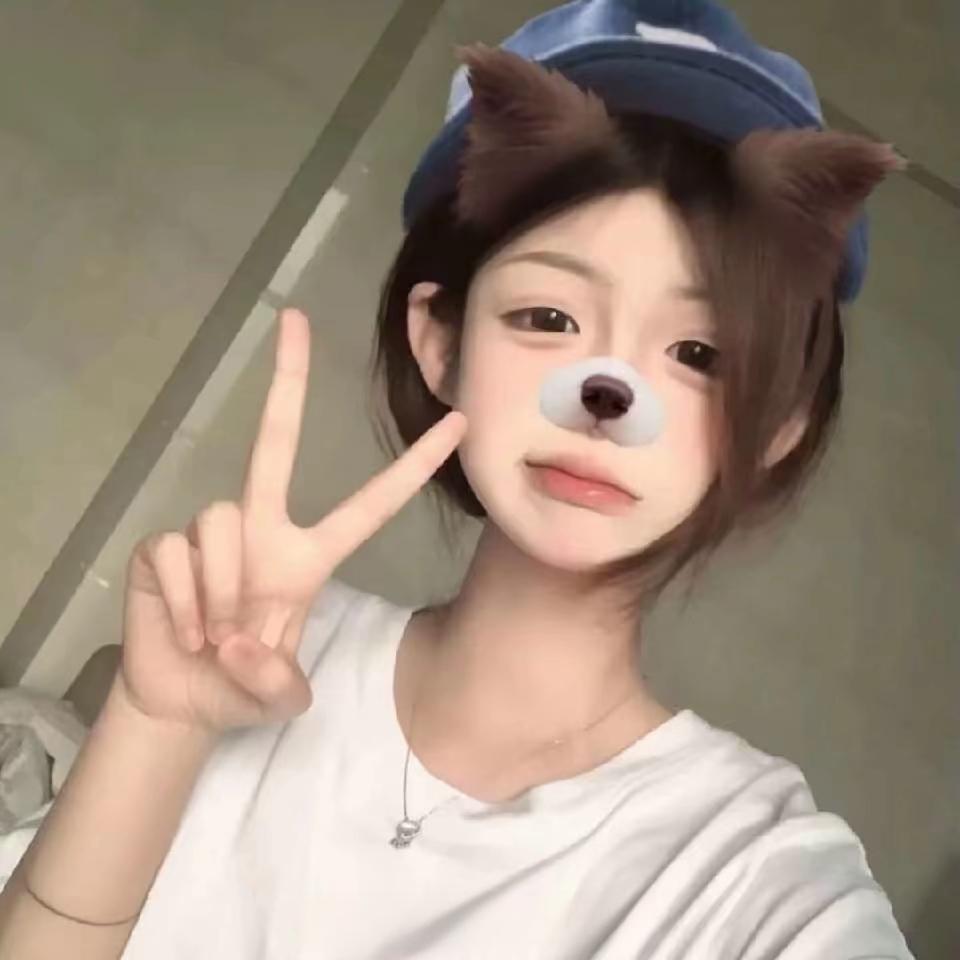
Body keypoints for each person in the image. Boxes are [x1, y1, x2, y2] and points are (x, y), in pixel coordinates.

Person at [0, 1, 915, 957]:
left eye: (698, 353)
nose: (608, 393)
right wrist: (154, 723)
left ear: (776, 429)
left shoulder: (758, 882)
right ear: (441, 344)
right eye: (549, 318)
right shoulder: (249, 649)